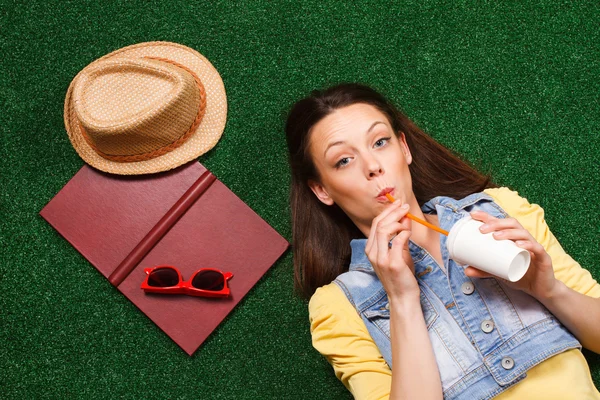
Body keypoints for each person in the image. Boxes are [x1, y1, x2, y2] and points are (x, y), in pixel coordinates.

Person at [285, 83, 600, 400]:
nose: (372, 166)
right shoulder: (338, 307)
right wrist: (402, 300)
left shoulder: (500, 212)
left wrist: (548, 290)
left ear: (404, 148)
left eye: (380, 142)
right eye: (344, 160)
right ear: (321, 190)